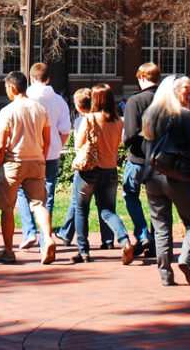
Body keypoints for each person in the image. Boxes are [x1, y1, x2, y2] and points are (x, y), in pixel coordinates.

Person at [141, 74, 190, 286]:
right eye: (186, 89)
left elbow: (145, 147)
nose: (189, 93)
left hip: (152, 177)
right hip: (178, 176)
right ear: (174, 91)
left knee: (161, 226)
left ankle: (165, 275)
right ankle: (186, 259)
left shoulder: (150, 115)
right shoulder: (183, 116)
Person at [0, 71, 57, 265]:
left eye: (6, 89)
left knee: (7, 208)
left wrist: (0, 161)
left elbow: (1, 144)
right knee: (39, 204)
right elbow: (47, 140)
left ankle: (9, 251)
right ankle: (48, 238)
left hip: (13, 162)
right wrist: (42, 159)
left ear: (12, 88)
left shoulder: (8, 110)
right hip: (36, 161)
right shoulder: (41, 109)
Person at [72, 83, 135, 264]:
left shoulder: (90, 119)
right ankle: (124, 240)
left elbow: (78, 145)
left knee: (81, 209)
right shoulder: (118, 121)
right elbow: (118, 145)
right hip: (110, 169)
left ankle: (83, 251)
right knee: (107, 211)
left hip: (89, 170)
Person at [17, 62, 73, 252]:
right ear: (48, 79)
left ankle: (29, 231)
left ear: (32, 78)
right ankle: (45, 237)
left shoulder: (25, 98)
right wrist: (58, 146)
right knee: (47, 195)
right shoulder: (59, 101)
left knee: (23, 191)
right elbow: (65, 129)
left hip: (28, 152)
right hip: (51, 153)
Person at [53, 88, 114, 250]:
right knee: (105, 205)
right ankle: (108, 238)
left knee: (78, 204)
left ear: (78, 106)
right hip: (106, 165)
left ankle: (71, 237)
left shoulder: (84, 120)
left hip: (86, 164)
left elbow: (79, 144)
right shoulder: (104, 118)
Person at [121, 62, 160, 258]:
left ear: (142, 78)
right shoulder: (165, 100)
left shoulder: (135, 101)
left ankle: (143, 233)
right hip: (160, 158)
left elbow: (129, 134)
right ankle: (155, 239)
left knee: (130, 194)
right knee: (156, 198)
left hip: (138, 157)